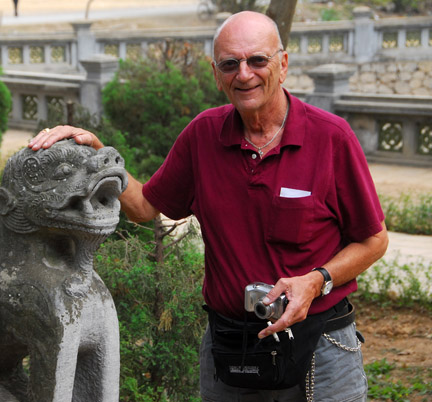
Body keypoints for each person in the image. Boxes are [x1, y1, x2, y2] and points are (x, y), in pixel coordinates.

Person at [29, 11, 388, 402]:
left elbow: (374, 240)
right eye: (230, 64)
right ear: (216, 73)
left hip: (320, 345)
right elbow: (146, 206)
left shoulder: (331, 138)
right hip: (232, 346)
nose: (244, 74)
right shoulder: (203, 135)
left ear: (282, 64)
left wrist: (316, 280)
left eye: (257, 60)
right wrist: (101, 156)